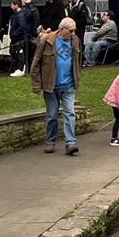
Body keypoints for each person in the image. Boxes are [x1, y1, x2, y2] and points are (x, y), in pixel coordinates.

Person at [30, 17, 81, 155]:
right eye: (71, 30)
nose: (73, 32)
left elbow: (78, 61)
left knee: (70, 113)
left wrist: (77, 77)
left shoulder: (75, 40)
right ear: (62, 29)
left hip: (69, 85)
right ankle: (50, 142)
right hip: (50, 86)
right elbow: (35, 64)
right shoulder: (47, 41)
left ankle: (70, 143)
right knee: (52, 115)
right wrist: (36, 85)